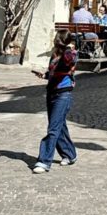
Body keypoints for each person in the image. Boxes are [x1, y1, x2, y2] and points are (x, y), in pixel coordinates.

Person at [31, 30, 78, 173]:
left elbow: (67, 62)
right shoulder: (56, 54)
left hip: (63, 94)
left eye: (57, 38)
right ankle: (70, 154)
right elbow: (54, 71)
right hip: (51, 92)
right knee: (59, 126)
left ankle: (44, 161)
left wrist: (68, 47)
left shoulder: (71, 53)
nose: (55, 40)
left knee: (53, 129)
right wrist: (44, 75)